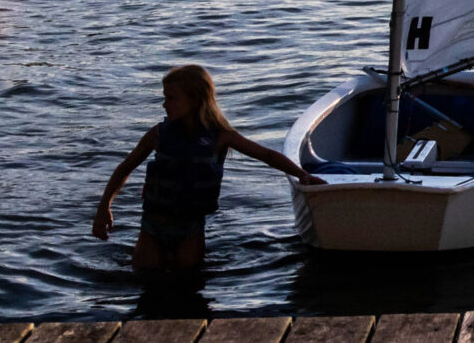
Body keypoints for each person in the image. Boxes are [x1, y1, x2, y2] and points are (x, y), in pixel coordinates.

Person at [94, 63, 325, 273]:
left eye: (171, 98)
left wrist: (302, 175)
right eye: (165, 98)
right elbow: (125, 168)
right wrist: (104, 207)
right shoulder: (158, 134)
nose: (165, 104)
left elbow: (266, 155)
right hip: (152, 226)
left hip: (191, 230)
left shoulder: (221, 137)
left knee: (189, 283)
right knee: (145, 279)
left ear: (195, 99)